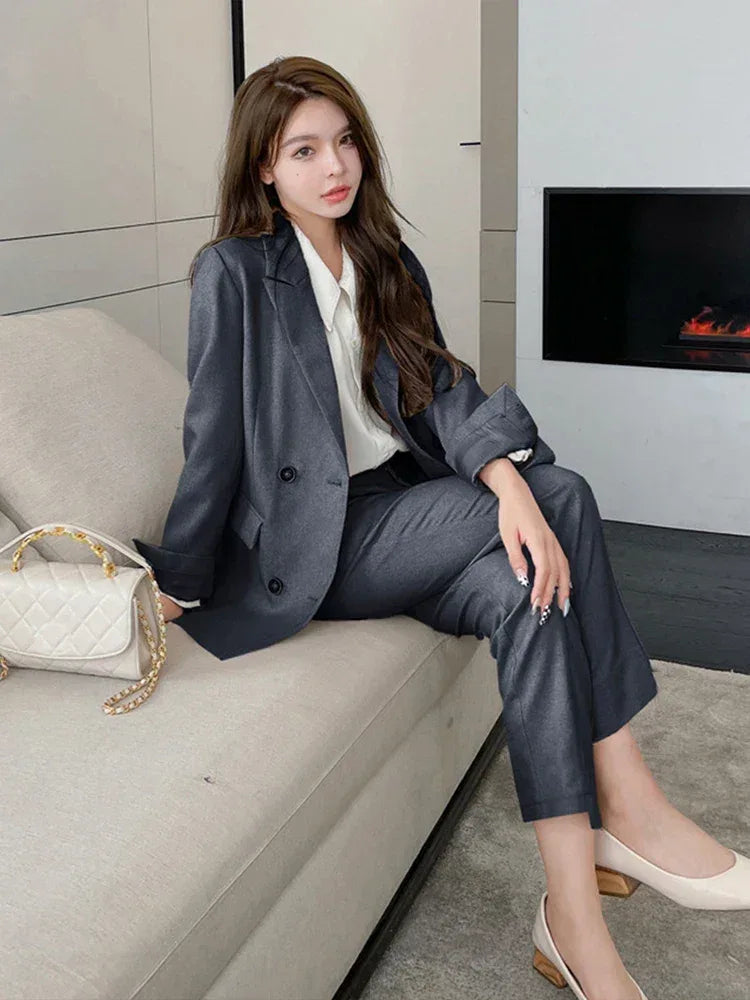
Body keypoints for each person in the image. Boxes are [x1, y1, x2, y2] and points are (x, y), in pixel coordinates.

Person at [135, 56, 748, 1000]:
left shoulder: (382, 254)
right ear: (264, 167)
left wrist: (500, 475)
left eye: (344, 142)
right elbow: (211, 433)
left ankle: (570, 922)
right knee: (567, 497)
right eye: (304, 150)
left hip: (407, 511)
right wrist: (179, 576)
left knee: (530, 593)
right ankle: (627, 795)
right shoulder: (234, 272)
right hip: (319, 545)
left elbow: (439, 389)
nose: (334, 165)